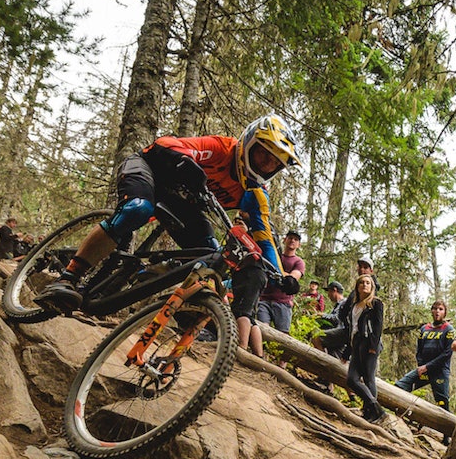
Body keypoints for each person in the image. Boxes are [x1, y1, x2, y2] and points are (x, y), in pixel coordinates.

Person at [35, 115, 301, 355]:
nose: (266, 164)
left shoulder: (256, 193)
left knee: (210, 256)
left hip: (182, 202)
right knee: (137, 210)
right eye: (264, 154)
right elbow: (165, 144)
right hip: (149, 170)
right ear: (250, 142)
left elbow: (263, 237)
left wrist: (280, 276)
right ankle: (69, 277)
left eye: (274, 163)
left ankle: (150, 276)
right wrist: (184, 160)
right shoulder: (223, 148)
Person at [395, 300, 456, 413]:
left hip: (440, 371)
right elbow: (419, 350)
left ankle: (447, 428)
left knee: (442, 402)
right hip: (423, 370)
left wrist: (428, 366)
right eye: (435, 308)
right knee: (400, 386)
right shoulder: (424, 329)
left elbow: (447, 353)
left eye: (440, 309)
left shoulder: (449, 329)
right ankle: (408, 413)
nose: (437, 311)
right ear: (431, 311)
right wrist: (421, 365)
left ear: (445, 312)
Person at [342, 274, 385, 422]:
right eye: (362, 283)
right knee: (351, 379)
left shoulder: (375, 303)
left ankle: (370, 413)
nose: (364, 285)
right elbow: (352, 328)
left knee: (368, 379)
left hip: (369, 344)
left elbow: (378, 326)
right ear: (357, 286)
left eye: (368, 283)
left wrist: (373, 346)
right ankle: (375, 407)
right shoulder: (354, 305)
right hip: (356, 344)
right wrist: (347, 351)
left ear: (372, 287)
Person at [257, 229, 305, 333]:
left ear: (299, 245)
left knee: (283, 335)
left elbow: (293, 278)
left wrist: (281, 274)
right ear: (284, 240)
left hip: (283, 302)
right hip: (264, 299)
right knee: (262, 330)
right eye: (290, 238)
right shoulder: (273, 256)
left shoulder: (298, 261)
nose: (292, 240)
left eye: (296, 239)